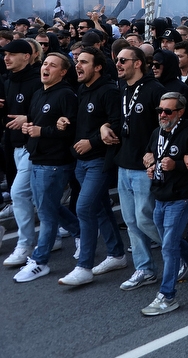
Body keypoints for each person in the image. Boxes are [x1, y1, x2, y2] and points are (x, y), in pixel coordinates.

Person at [57, 47, 127, 285]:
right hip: (81, 162)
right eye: (77, 61)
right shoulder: (82, 89)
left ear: (98, 67)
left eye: (83, 62)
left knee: (84, 208)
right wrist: (66, 121)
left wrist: (92, 142)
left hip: (99, 161)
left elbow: (116, 125)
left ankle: (84, 266)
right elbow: (87, 121)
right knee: (98, 208)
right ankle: (117, 254)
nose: (78, 65)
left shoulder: (108, 91)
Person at [141, 92, 188, 315]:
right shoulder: (157, 132)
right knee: (170, 243)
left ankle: (167, 296)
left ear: (180, 112)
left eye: (168, 111)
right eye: (160, 110)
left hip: (180, 198)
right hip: (160, 195)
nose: (162, 114)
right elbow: (151, 152)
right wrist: (149, 162)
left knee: (169, 247)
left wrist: (179, 165)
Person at [13, 53, 80, 282]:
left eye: (53, 65)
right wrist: (29, 128)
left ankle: (40, 261)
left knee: (46, 213)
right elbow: (36, 122)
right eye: (45, 64)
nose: (46, 68)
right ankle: (80, 231)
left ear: (62, 72)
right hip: (36, 157)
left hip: (54, 163)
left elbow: (71, 130)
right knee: (45, 204)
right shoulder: (39, 93)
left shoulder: (66, 94)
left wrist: (42, 132)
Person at [113, 46, 167, 291]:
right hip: (124, 164)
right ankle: (145, 268)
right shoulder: (123, 88)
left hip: (145, 166)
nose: (118, 64)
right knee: (131, 221)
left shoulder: (155, 90)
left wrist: (155, 154)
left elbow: (167, 126)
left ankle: (182, 256)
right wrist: (105, 127)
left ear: (138, 63)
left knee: (145, 219)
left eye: (123, 60)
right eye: (117, 60)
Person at [1, 39, 43, 269]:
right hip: (13, 146)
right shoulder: (7, 81)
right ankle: (53, 236)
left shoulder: (38, 80)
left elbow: (49, 108)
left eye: (12, 54)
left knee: (18, 193)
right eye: (5, 54)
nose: (6, 58)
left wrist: (28, 119)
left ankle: (25, 243)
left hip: (33, 146)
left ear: (27, 56)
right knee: (37, 196)